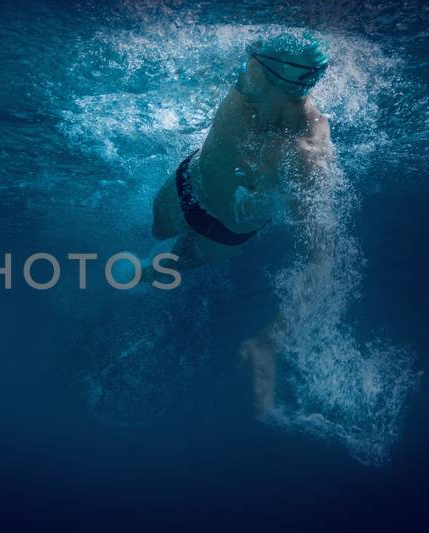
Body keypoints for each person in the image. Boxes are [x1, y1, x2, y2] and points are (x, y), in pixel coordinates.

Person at [149, 33, 337, 417]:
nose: (240, 71)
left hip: (217, 232)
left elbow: (320, 262)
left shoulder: (305, 155)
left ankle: (139, 276)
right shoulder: (253, 86)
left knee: (157, 270)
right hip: (185, 179)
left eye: (249, 65)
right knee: (155, 231)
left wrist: (271, 339)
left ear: (274, 80)